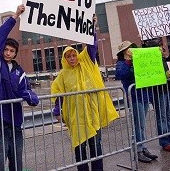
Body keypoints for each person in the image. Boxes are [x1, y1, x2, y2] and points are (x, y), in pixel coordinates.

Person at [51, 15, 119, 171]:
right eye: (68, 56)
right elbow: (57, 93)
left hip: (92, 111)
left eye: (74, 55)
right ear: (64, 59)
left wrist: (92, 26)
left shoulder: (86, 63)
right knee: (79, 146)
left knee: (95, 145)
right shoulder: (62, 75)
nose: (72, 58)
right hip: (75, 116)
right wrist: (57, 111)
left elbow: (92, 46)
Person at [0, 4, 39, 171]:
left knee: (16, 161)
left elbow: (24, 90)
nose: (7, 53)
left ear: (15, 53)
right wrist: (15, 17)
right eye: (5, 49)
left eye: (11, 51)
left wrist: (32, 97)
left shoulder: (19, 71)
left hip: (15, 121)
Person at [115, 40, 158, 163]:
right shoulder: (121, 63)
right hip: (134, 97)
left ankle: (143, 148)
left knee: (142, 125)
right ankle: (138, 150)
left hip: (143, 95)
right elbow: (121, 74)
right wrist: (129, 62)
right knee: (138, 125)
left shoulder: (138, 60)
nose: (131, 50)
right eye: (128, 48)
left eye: (132, 47)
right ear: (123, 52)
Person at [143, 31, 170, 152]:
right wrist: (143, 42)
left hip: (169, 90)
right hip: (159, 91)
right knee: (162, 117)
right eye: (159, 48)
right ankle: (164, 141)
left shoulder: (167, 61)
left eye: (162, 48)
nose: (162, 49)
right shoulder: (153, 63)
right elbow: (144, 54)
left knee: (168, 116)